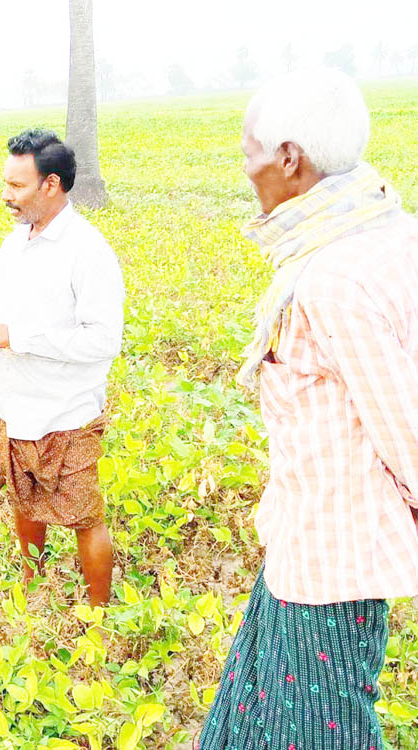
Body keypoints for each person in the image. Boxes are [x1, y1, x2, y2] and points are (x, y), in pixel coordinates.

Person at [197, 69, 418, 750]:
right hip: (302, 544)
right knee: (254, 714)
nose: (246, 171)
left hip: (330, 561)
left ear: (289, 158)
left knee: (323, 734)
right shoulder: (388, 233)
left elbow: (405, 431)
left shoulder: (331, 280)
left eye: (247, 154)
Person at [0, 129, 123, 608]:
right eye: (5, 184)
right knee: (23, 501)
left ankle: (98, 616)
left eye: (16, 186)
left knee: (85, 518)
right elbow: (12, 305)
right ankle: (30, 588)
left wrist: (18, 336)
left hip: (65, 412)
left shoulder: (88, 251)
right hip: (15, 402)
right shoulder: (14, 243)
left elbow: (102, 338)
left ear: (51, 185)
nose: (5, 196)